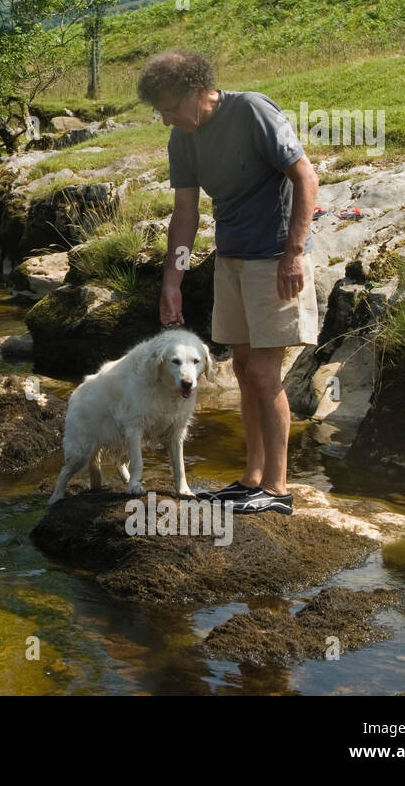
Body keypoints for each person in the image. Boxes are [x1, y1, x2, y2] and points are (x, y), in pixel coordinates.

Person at [141, 50, 319, 516]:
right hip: (232, 261)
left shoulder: (252, 111)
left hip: (276, 260)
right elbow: (185, 215)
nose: (166, 120)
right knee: (242, 371)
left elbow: (305, 176)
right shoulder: (183, 138)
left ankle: (278, 490)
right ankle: (252, 478)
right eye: (158, 112)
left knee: (263, 372)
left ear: (199, 92)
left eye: (169, 108)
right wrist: (172, 281)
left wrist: (294, 253)